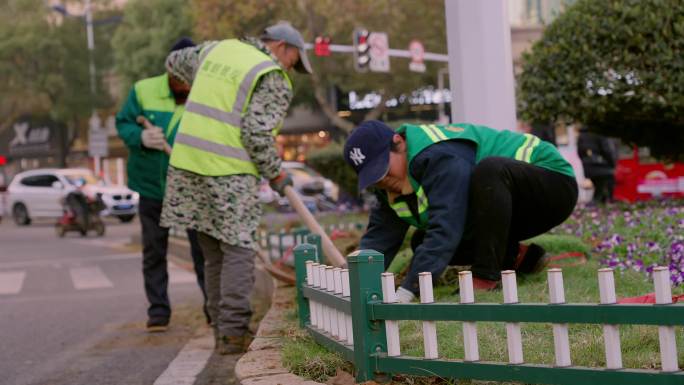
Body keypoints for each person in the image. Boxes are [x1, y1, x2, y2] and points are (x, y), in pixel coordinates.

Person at [160, 22, 312, 354]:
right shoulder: (272, 76)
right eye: (293, 61)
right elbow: (256, 134)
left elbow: (173, 62)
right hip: (228, 172)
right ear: (282, 48)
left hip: (187, 166)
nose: (290, 69)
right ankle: (233, 333)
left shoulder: (218, 48)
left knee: (213, 252)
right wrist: (275, 173)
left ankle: (222, 331)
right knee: (239, 251)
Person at [344, 121, 578, 300]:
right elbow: (380, 237)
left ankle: (485, 277)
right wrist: (353, 285)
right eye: (374, 176)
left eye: (383, 168)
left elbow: (446, 225)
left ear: (399, 142)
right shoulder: (389, 186)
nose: (383, 180)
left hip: (551, 185)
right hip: (505, 206)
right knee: (421, 241)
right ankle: (520, 257)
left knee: (489, 171)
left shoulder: (437, 155)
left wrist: (407, 292)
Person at [116, 38, 209, 333]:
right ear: (170, 69)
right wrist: (139, 138)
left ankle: (213, 308)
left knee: (203, 250)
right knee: (154, 251)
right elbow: (124, 123)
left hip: (193, 188)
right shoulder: (143, 91)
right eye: (179, 78)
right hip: (153, 187)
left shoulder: (205, 93)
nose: (184, 85)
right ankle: (158, 311)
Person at [577, 127, 618, 204]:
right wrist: (612, 164)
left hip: (589, 168)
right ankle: (601, 206)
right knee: (603, 190)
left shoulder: (582, 135)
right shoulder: (600, 133)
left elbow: (580, 153)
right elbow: (607, 150)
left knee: (599, 189)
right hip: (603, 167)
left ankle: (597, 208)